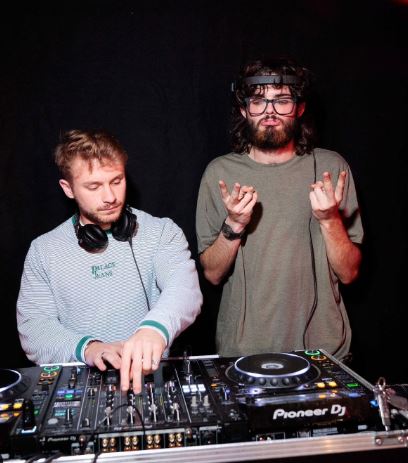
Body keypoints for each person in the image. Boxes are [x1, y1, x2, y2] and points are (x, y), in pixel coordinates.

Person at [196, 57, 363, 361]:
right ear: (244, 109)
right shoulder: (219, 173)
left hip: (325, 352)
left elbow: (349, 273)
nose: (270, 113)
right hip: (244, 351)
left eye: (282, 101)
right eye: (259, 101)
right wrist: (233, 224)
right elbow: (213, 274)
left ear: (299, 108)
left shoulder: (331, 167)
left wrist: (329, 220)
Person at [17, 129, 202, 393]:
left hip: (150, 381)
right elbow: (34, 330)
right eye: (93, 186)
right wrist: (89, 348)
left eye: (117, 181)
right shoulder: (43, 250)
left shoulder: (161, 232)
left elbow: (184, 288)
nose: (110, 197)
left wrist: (154, 330)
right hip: (82, 384)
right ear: (67, 188)